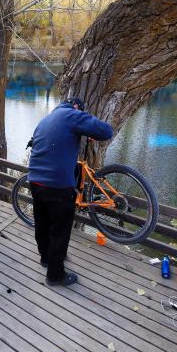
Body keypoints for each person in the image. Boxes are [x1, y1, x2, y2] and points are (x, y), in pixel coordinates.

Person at [28, 98, 113, 286]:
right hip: (56, 185)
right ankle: (55, 276)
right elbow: (106, 131)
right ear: (76, 107)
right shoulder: (72, 114)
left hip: (35, 180)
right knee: (60, 231)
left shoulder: (46, 120)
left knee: (42, 224)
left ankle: (45, 259)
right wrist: (85, 124)